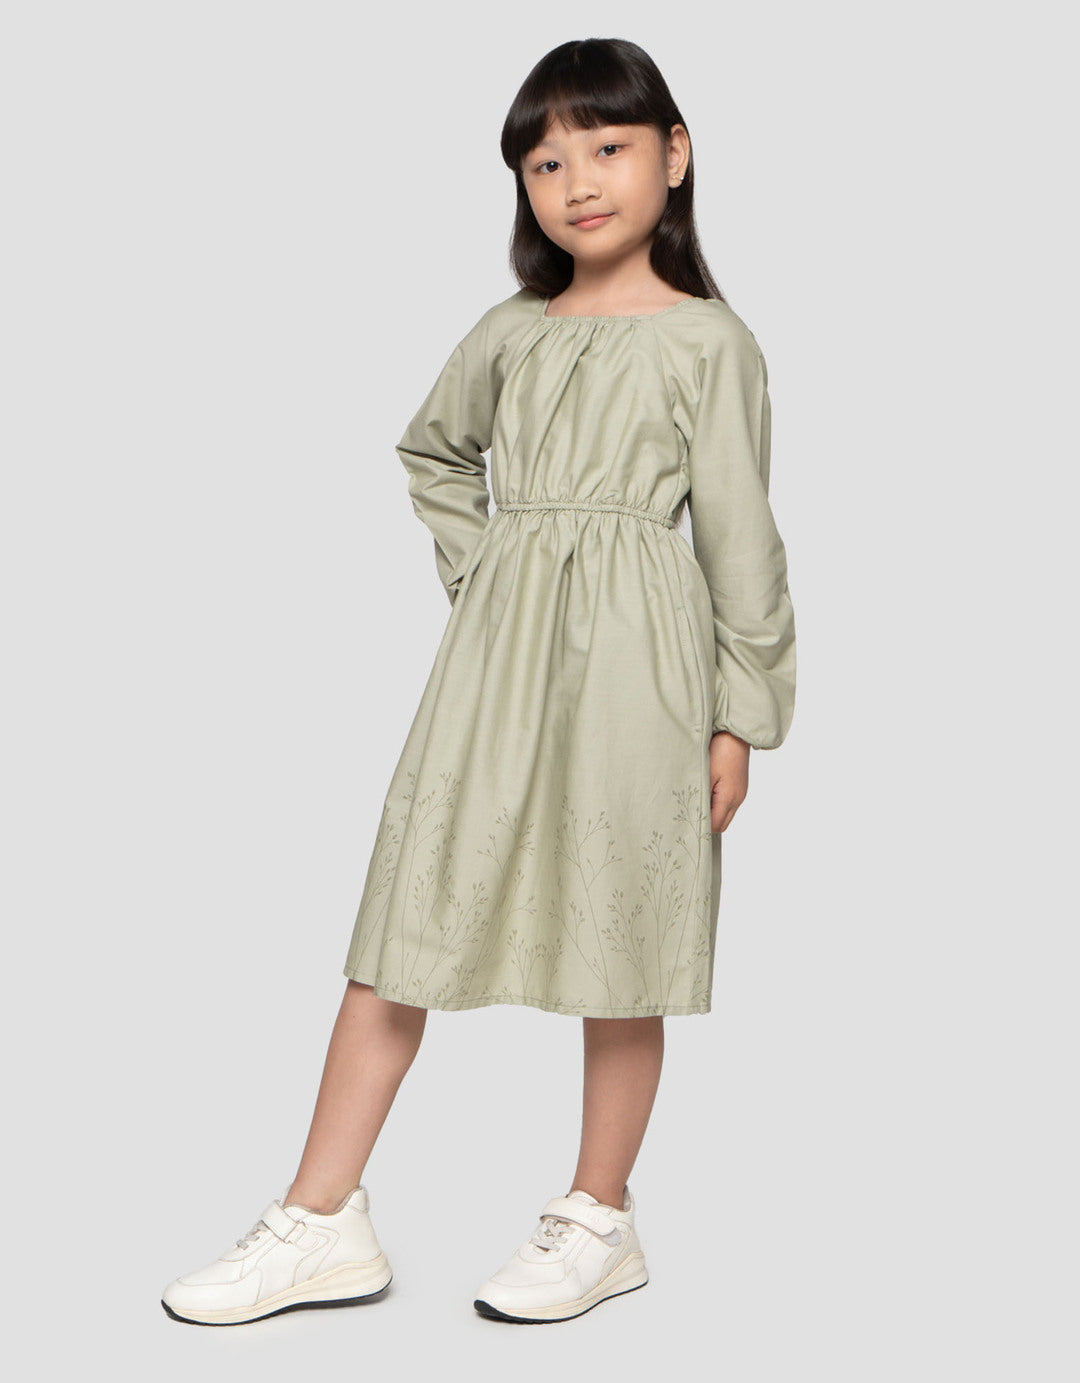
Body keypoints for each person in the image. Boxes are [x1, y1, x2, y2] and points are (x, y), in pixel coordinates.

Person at [161, 36, 797, 1328]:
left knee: (625, 932)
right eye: (544, 162)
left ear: (676, 155)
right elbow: (434, 453)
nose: (578, 181)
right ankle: (321, 1215)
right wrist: (490, 568)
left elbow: (742, 537)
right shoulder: (510, 332)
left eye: (607, 147)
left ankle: (598, 1216)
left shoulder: (710, 343)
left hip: (644, 670)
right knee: (407, 910)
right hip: (494, 667)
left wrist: (743, 715)